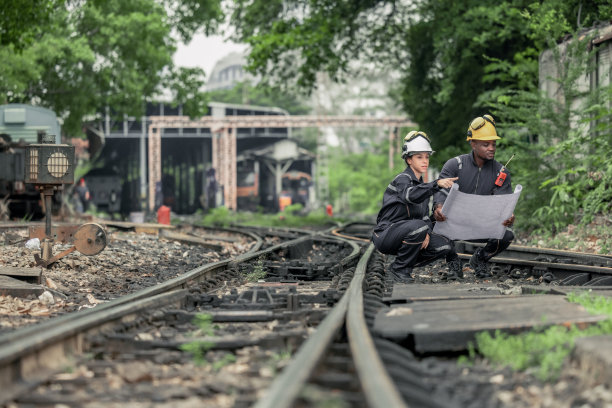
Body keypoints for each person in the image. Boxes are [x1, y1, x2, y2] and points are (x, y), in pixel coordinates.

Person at [372, 131, 463, 283]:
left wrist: (426, 231)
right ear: (408, 159)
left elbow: (425, 218)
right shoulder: (402, 179)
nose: (425, 161)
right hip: (386, 234)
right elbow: (409, 195)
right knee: (419, 226)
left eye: (427, 157)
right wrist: (436, 184)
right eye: (419, 157)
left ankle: (402, 266)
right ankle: (400, 270)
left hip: (411, 233)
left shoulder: (422, 187)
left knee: (444, 245)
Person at [432, 114, 516, 278]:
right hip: (455, 224)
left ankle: (480, 259)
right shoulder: (455, 165)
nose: (491, 148)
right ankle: (453, 263)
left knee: (506, 235)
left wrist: (508, 215)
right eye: (486, 144)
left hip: (483, 225)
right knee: (434, 226)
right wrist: (438, 207)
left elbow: (503, 201)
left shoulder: (501, 172)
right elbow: (441, 191)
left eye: (493, 144)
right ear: (473, 143)